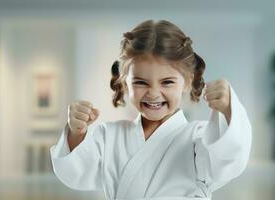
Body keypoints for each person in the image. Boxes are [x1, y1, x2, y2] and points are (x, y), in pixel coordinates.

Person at [50, 19, 252, 200]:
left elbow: (227, 159)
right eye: (140, 82)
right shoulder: (108, 135)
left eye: (167, 82)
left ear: (188, 81)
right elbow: (75, 174)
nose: (154, 93)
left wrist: (228, 110)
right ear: (124, 83)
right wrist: (76, 133)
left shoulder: (197, 138)